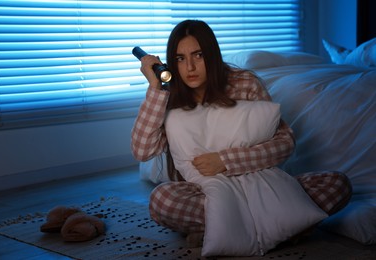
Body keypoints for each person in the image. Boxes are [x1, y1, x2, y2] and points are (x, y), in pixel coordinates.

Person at [131, 20, 352, 252]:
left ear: (212, 55)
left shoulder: (244, 83)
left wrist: (226, 162)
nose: (190, 67)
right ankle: (287, 227)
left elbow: (285, 143)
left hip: (264, 188)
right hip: (205, 192)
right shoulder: (167, 93)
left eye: (198, 55)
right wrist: (155, 88)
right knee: (161, 201)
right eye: (180, 58)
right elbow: (142, 151)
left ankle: (223, 229)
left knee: (338, 184)